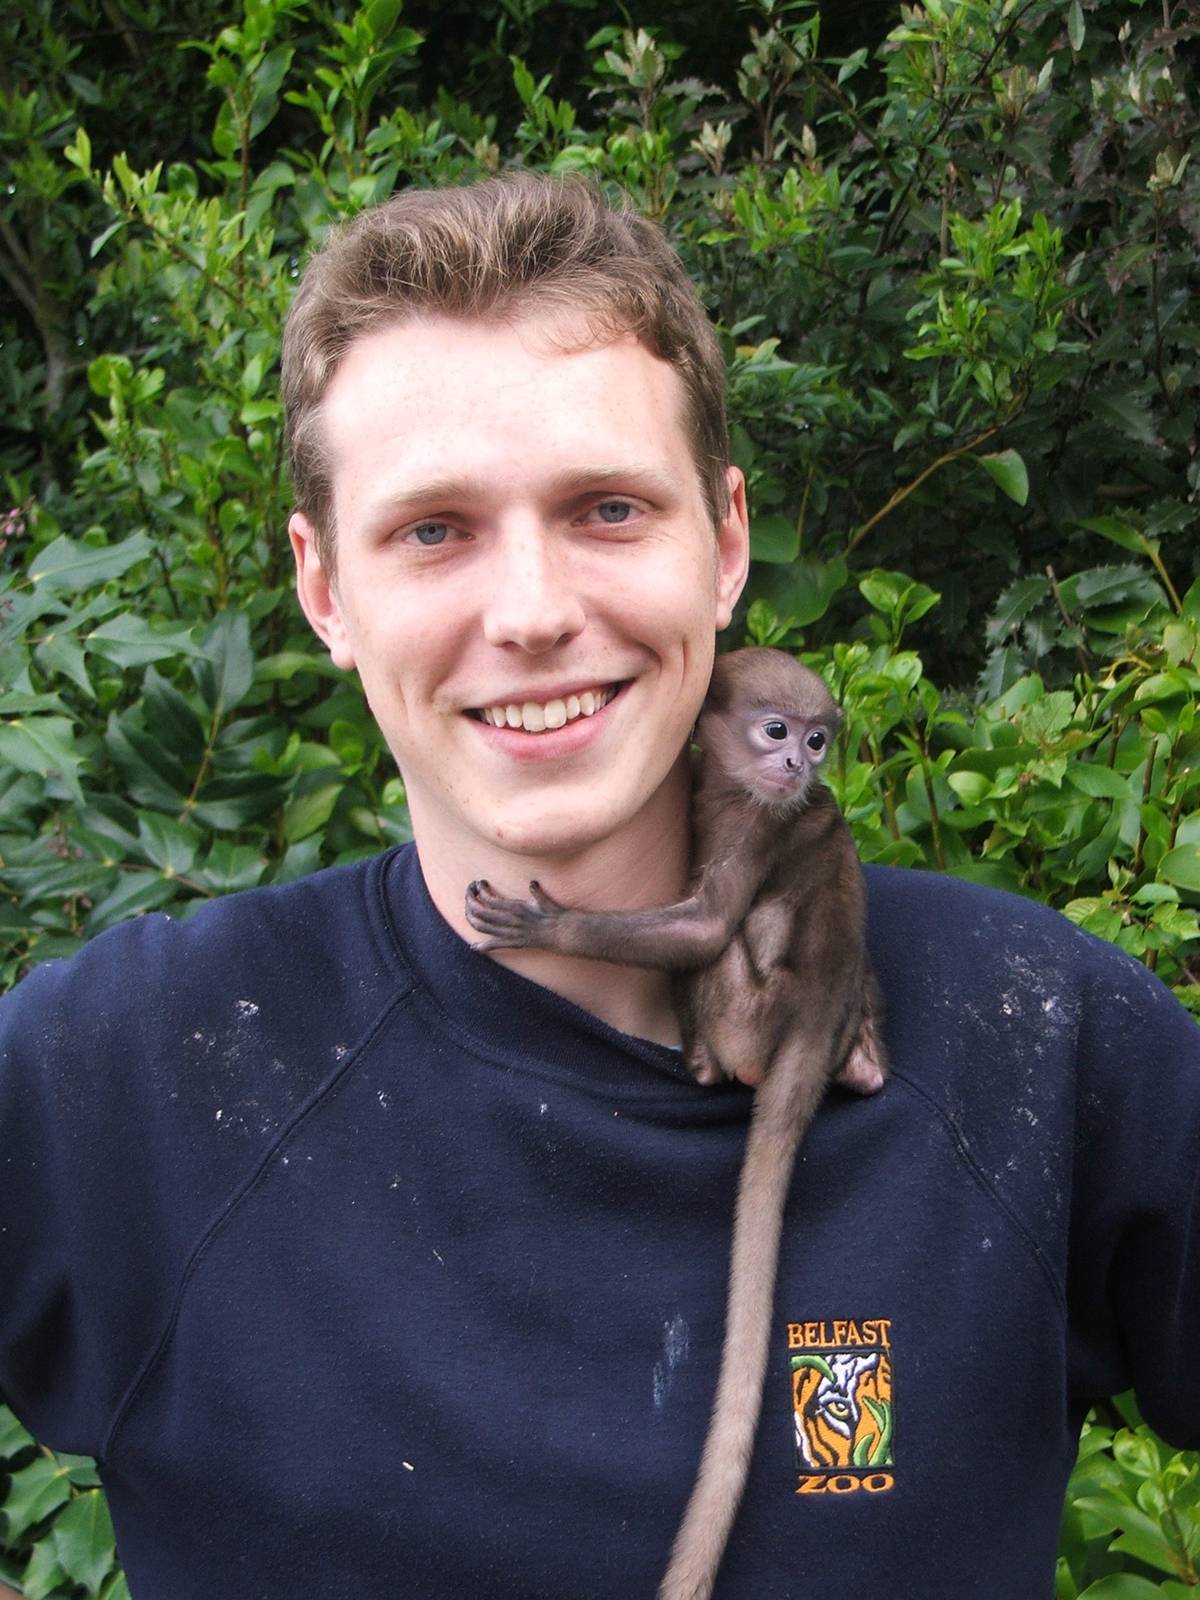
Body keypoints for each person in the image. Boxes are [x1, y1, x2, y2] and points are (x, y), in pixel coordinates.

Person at [1, 173, 1198, 1599]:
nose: (533, 613)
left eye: (609, 509)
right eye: (433, 529)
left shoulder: (1036, 1035)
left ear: (726, 545)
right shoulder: (130, 1072)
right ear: (325, 591)